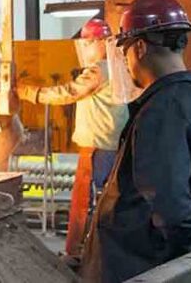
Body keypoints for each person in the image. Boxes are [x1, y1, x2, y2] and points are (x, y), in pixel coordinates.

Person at [81, 0, 191, 282]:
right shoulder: (188, 97)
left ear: (140, 47)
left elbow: (171, 208)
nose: (127, 63)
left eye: (126, 51)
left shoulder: (161, 110)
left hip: (137, 265)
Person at [16, 18, 129, 260]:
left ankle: (79, 254)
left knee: (86, 203)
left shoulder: (100, 70)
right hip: (109, 145)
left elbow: (68, 92)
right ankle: (92, 252)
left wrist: (27, 92)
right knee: (99, 202)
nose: (85, 49)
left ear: (101, 43)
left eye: (88, 43)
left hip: (98, 147)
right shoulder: (118, 67)